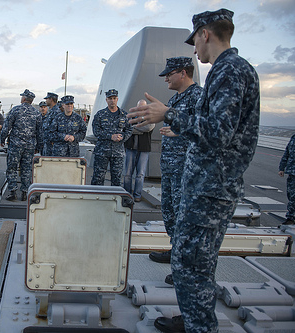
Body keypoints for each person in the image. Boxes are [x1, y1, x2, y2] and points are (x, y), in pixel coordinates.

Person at [128, 8, 260, 333]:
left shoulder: (230, 71)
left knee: (190, 265)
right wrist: (167, 115)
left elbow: (218, 133)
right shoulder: (226, 70)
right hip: (205, 186)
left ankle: (199, 327)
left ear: (204, 34)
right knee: (195, 264)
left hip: (210, 190)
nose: (194, 50)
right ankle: (193, 320)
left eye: (194, 41)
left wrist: (168, 116)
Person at [148, 57, 203, 265]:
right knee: (170, 212)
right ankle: (176, 251)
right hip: (171, 167)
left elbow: (205, 132)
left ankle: (185, 263)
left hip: (187, 169)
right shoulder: (174, 100)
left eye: (169, 74)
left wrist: (178, 132)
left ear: (183, 73)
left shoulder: (199, 96)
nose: (166, 79)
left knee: (185, 215)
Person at [0, 89, 43, 201]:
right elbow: (40, 132)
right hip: (30, 146)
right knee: (26, 169)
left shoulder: (15, 110)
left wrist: (2, 139)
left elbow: (6, 127)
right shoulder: (37, 113)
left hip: (15, 145)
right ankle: (25, 193)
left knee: (12, 168)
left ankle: (13, 192)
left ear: (23, 98)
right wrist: (38, 147)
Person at [91, 89, 132, 186]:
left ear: (117, 99)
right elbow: (96, 132)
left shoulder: (124, 115)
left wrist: (122, 137)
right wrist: (110, 136)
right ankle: (96, 198)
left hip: (118, 153)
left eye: (114, 98)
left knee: (116, 179)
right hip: (102, 151)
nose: (112, 100)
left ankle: (114, 199)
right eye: (110, 98)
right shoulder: (100, 115)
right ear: (106, 100)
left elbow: (129, 130)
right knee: (98, 178)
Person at [123, 100, 154, 202]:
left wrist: (133, 128)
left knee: (140, 174)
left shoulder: (150, 118)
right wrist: (139, 129)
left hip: (143, 149)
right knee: (128, 173)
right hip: (130, 148)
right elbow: (126, 128)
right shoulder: (130, 117)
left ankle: (137, 195)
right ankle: (127, 193)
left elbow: (148, 127)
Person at [278, 134, 295, 226]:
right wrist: (282, 168)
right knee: (291, 195)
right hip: (292, 172)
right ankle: (291, 217)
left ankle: (291, 217)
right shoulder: (293, 137)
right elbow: (287, 153)